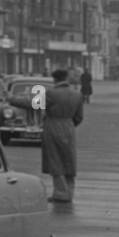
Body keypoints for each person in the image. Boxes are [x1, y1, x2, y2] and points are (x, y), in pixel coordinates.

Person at [42, 68, 84, 204]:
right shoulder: (77, 95)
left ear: (55, 79)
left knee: (55, 160)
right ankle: (70, 193)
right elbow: (79, 117)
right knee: (69, 160)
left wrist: (11, 99)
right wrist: (69, 125)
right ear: (66, 78)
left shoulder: (51, 93)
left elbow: (32, 105)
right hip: (69, 127)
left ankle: (60, 193)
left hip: (53, 125)